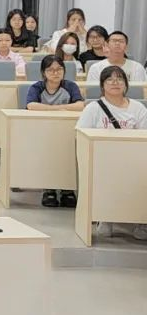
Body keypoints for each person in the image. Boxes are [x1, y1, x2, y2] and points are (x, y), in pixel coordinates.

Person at [76, 65, 147, 241]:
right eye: (110, 79)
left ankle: (141, 220)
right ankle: (105, 216)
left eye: (119, 79)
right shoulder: (93, 108)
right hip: (103, 160)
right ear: (102, 85)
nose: (115, 83)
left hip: (133, 160)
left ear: (126, 84)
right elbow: (81, 135)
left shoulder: (138, 108)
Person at [25, 55, 84, 208]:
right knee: (48, 154)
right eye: (51, 70)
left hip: (67, 130)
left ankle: (67, 190)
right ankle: (49, 188)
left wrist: (50, 108)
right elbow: (31, 105)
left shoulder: (70, 86)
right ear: (43, 72)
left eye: (59, 69)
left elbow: (80, 105)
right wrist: (60, 108)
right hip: (42, 130)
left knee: (67, 155)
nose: (55, 73)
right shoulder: (37, 87)